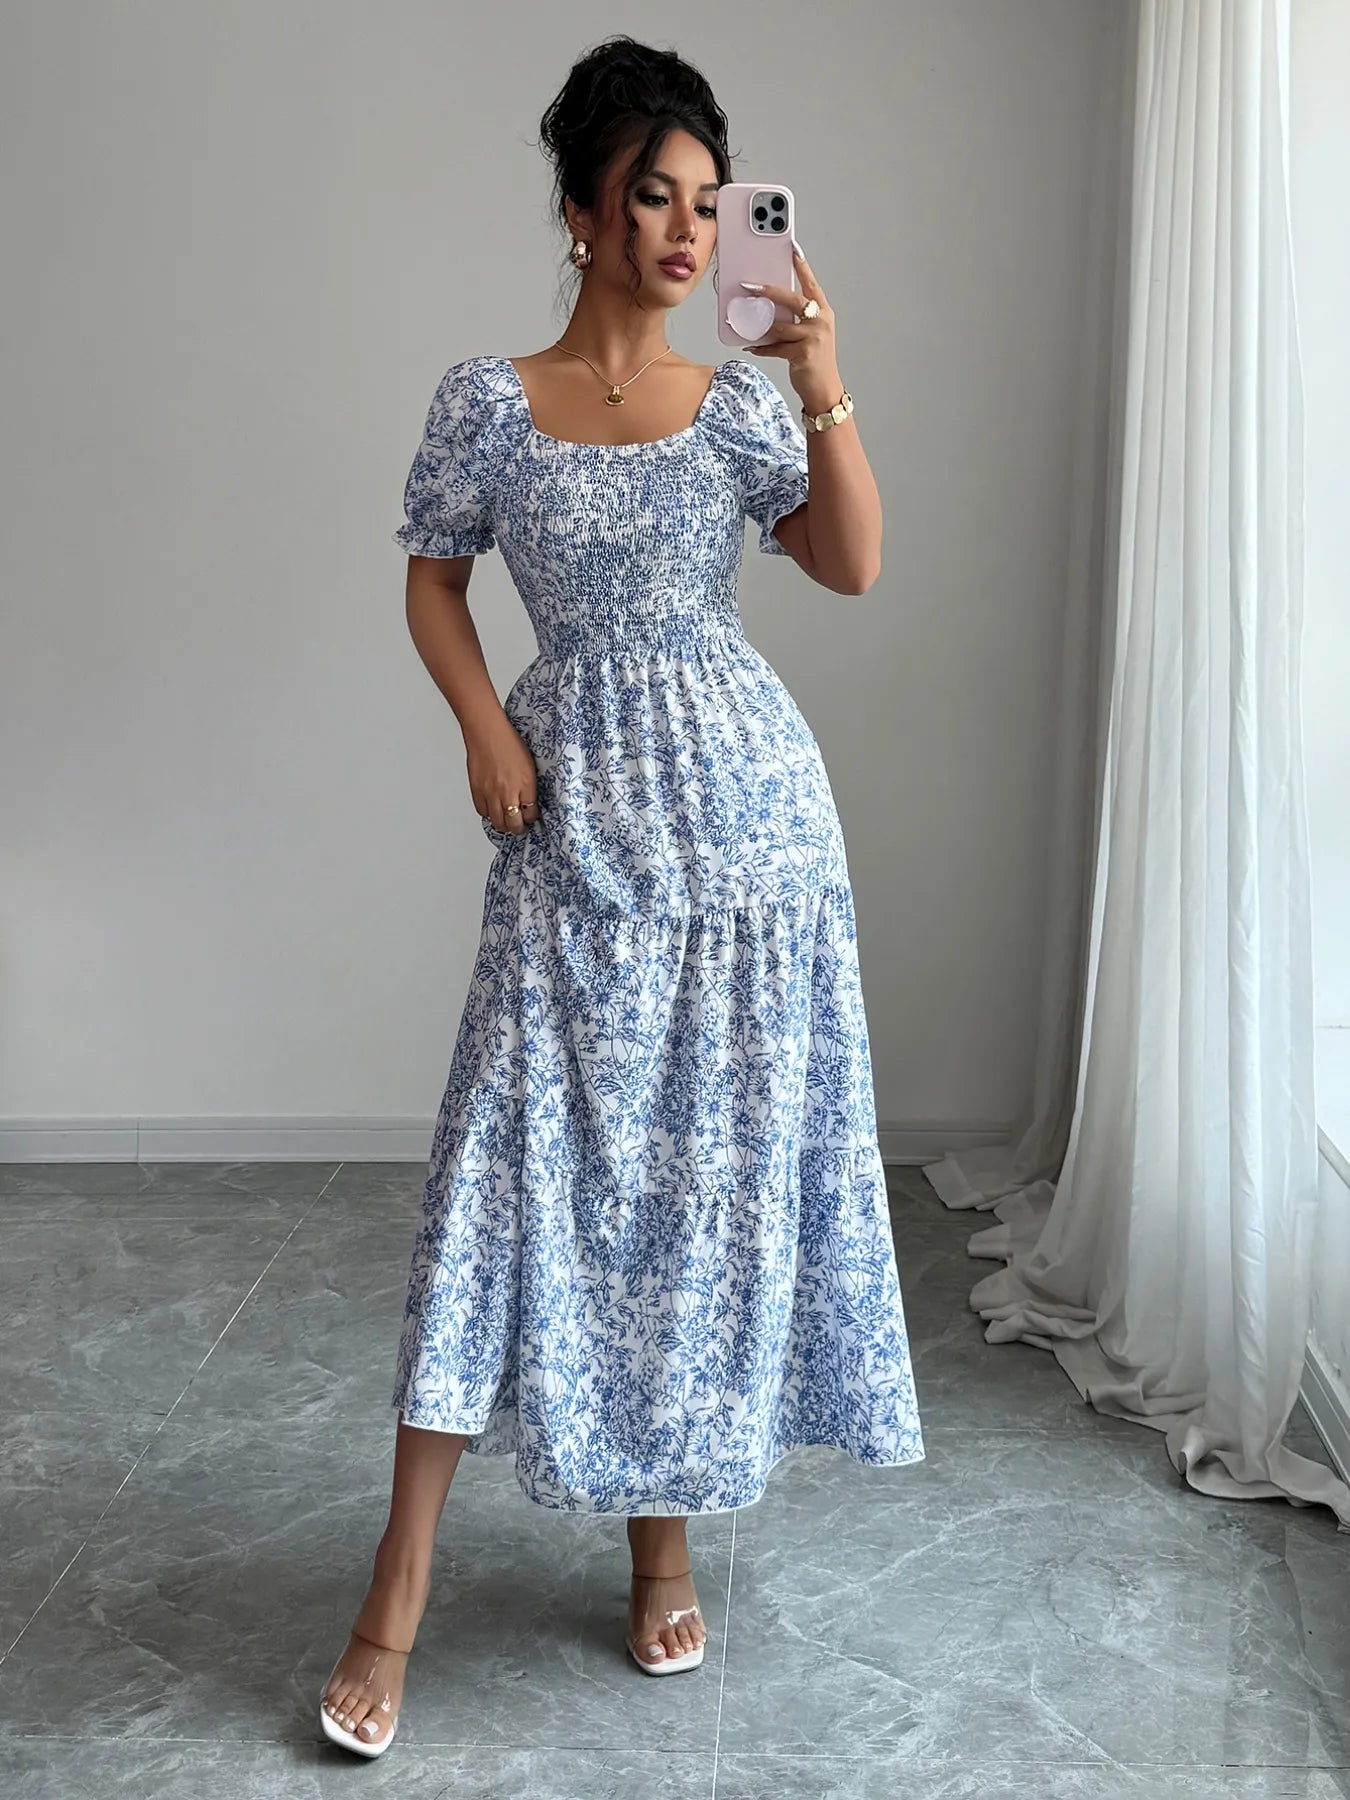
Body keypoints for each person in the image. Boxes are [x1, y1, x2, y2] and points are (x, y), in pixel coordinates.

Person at [319, 33, 925, 1759]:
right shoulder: (485, 399)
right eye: (651, 198)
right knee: (504, 1169)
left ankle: (663, 1546)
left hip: (747, 839)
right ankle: (393, 1594)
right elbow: (434, 584)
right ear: (579, 213)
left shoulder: (738, 403)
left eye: (707, 205)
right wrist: (478, 727)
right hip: (572, 823)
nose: (684, 231)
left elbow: (851, 562)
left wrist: (821, 371)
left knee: (690, 1190)